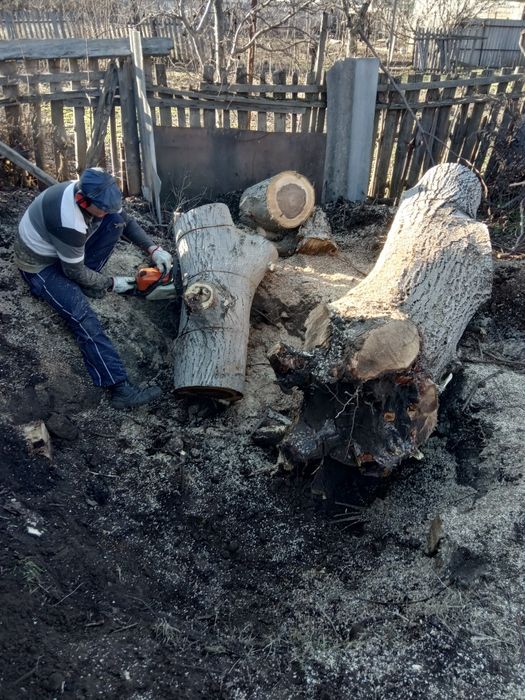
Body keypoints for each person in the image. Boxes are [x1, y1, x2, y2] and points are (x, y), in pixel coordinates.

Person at [14, 167, 173, 409]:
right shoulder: (69, 220)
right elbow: (73, 271)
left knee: (116, 221)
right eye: (103, 209)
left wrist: (154, 249)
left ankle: (91, 281)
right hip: (40, 263)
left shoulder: (96, 194)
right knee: (82, 316)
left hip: (67, 252)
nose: (108, 211)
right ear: (82, 200)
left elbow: (125, 220)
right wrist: (112, 283)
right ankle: (120, 390)